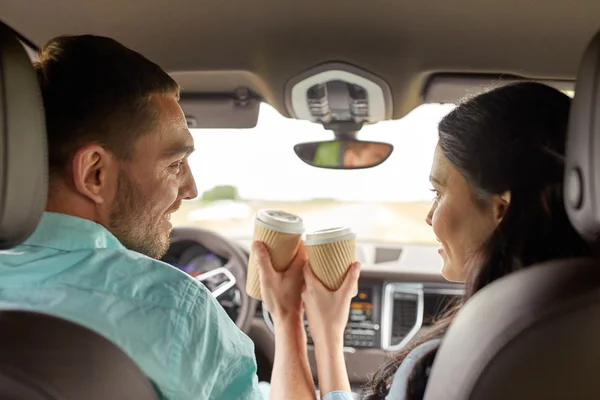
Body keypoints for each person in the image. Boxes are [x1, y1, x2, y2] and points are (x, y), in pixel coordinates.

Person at [0, 35, 315, 400]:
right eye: (175, 164)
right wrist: (292, 320)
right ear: (95, 174)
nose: (191, 188)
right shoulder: (176, 310)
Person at [257, 82, 593, 399]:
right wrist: (329, 335)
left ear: (500, 208)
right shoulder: (571, 315)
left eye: (439, 192)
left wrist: (287, 318)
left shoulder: (462, 352)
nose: (430, 217)